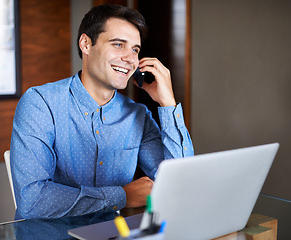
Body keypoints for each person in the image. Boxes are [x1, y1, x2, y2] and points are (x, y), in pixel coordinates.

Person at [10, 4, 194, 220]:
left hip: (114, 233)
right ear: (86, 44)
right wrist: (122, 196)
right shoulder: (40, 103)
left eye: (135, 49)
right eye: (118, 45)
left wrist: (168, 104)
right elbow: (33, 202)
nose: (130, 59)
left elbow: (182, 185)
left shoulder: (138, 116)